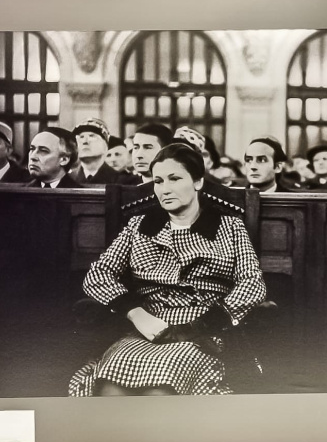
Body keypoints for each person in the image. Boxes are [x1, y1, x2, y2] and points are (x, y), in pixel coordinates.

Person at [68, 143, 267, 396]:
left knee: (159, 392)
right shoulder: (139, 226)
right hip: (146, 329)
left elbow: (252, 283)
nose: (165, 189)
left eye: (175, 179)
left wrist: (207, 322)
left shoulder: (229, 227)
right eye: (158, 181)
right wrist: (134, 312)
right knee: (110, 388)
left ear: (197, 182)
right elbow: (99, 274)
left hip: (201, 333)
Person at [70, 118, 122, 185]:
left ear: (105, 147)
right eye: (81, 137)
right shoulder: (68, 179)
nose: (84, 141)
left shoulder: (121, 180)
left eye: (91, 136)